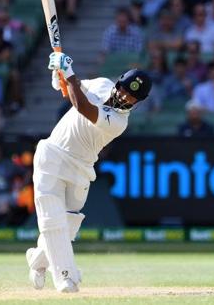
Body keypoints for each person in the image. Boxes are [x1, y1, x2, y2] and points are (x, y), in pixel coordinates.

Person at [25, 52, 152, 293]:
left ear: (137, 103)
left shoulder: (118, 122)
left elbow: (82, 106)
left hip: (81, 167)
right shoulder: (102, 83)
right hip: (52, 154)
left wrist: (70, 74)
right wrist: (59, 74)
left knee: (69, 224)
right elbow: (69, 90)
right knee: (52, 220)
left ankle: (38, 261)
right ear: (119, 83)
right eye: (125, 89)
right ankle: (65, 277)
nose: (125, 96)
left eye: (132, 97)